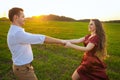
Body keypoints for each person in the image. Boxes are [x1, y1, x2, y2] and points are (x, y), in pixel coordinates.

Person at [7, 7, 66, 80]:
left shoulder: (16, 31)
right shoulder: (17, 33)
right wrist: (61, 41)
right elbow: (41, 38)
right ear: (16, 17)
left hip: (24, 67)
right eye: (23, 17)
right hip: (23, 69)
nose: (25, 18)